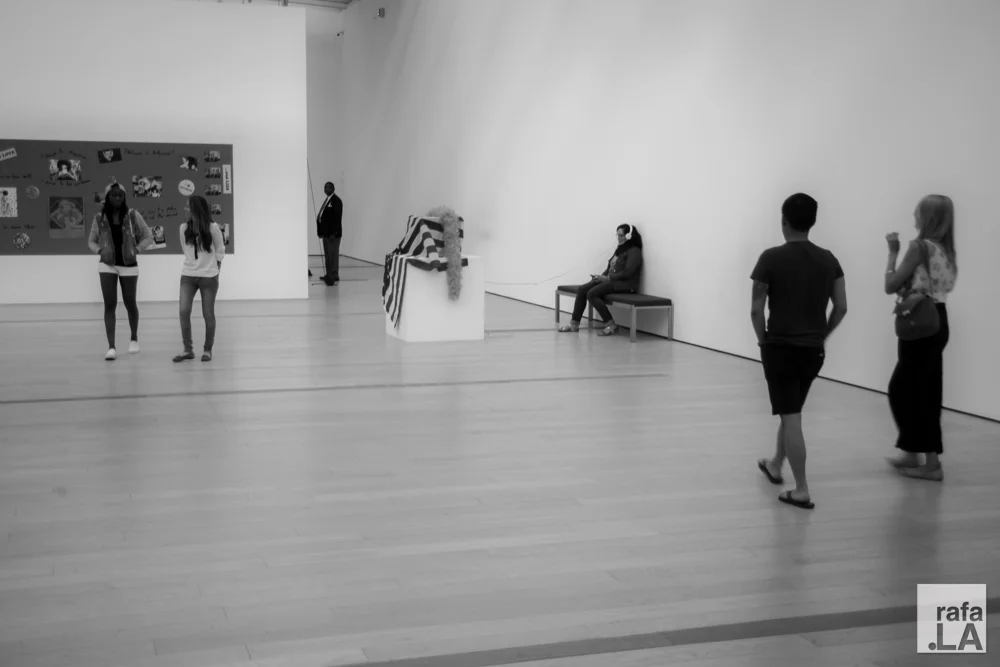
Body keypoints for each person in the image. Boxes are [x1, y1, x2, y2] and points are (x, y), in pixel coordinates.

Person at [751, 193, 848, 510]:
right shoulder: (829, 259)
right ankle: (775, 463)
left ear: (784, 221)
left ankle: (802, 488)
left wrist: (763, 341)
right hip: (812, 352)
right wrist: (822, 335)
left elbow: (756, 309)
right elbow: (841, 307)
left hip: (780, 349)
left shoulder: (770, 258)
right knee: (790, 409)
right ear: (812, 222)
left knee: (791, 416)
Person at [883, 195, 957, 481]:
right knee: (924, 389)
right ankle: (914, 452)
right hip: (939, 319)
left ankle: (931, 463)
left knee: (905, 390)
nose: (914, 217)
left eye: (918, 212)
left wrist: (892, 253)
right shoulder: (946, 248)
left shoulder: (919, 246)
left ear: (927, 217)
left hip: (920, 321)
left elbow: (891, 285)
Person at [87, 183, 153, 360]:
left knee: (130, 303)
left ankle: (134, 339)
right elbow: (91, 241)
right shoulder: (99, 217)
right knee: (110, 305)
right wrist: (100, 251)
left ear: (124, 197)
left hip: (129, 264)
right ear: (107, 197)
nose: (117, 198)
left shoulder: (133, 215)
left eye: (120, 195)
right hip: (107, 265)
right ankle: (111, 347)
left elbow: (149, 236)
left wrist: (136, 249)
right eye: (114, 195)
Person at [558, 224, 644, 336]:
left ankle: (611, 325)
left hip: (625, 285)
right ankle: (574, 324)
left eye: (621, 235)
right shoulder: (620, 250)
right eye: (617, 235)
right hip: (612, 281)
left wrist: (608, 278)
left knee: (591, 294)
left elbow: (628, 272)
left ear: (629, 236)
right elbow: (610, 268)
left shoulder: (634, 251)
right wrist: (600, 277)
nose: (618, 238)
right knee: (582, 289)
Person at [173, 195, 225, 363]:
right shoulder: (183, 228)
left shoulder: (212, 227)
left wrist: (216, 269)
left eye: (188, 206)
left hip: (208, 277)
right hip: (188, 275)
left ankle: (207, 349)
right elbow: (185, 250)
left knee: (208, 314)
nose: (185, 209)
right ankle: (187, 350)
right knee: (183, 311)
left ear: (196, 209)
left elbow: (220, 249)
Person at [317, 181, 343, 285]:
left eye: (329, 187)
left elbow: (337, 218)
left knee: (333, 255)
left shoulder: (336, 201)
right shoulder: (327, 200)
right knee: (328, 255)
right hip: (326, 234)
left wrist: (334, 233)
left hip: (333, 235)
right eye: (325, 187)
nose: (326, 189)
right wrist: (321, 231)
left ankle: (334, 275)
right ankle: (328, 274)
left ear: (333, 189)